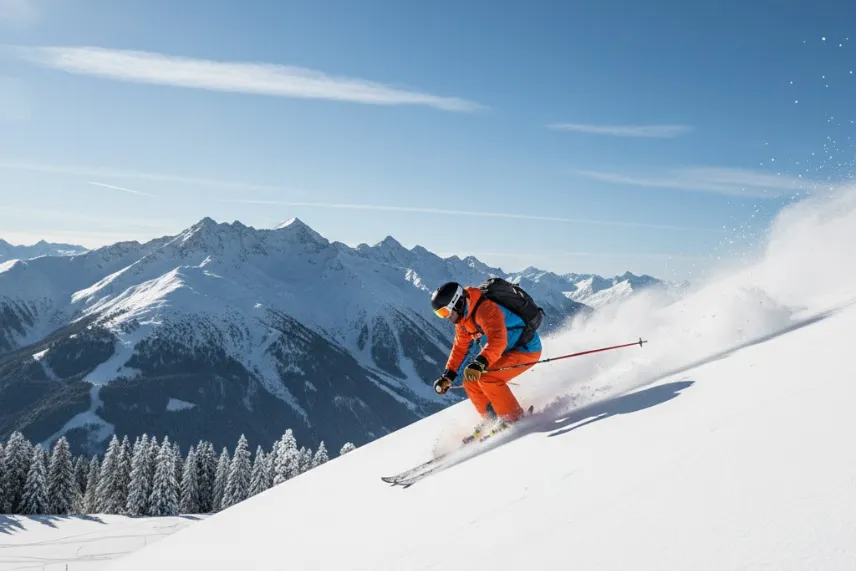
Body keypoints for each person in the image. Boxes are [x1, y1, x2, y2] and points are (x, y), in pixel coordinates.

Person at [430, 281, 542, 436]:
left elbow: (498, 340)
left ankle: (513, 418)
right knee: (470, 381)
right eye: (440, 314)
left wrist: (480, 363)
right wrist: (448, 375)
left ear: (457, 302)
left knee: (488, 377)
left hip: (526, 349)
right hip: (505, 351)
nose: (446, 318)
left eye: (444, 312)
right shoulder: (463, 319)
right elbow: (460, 347)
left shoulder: (486, 309)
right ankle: (492, 419)